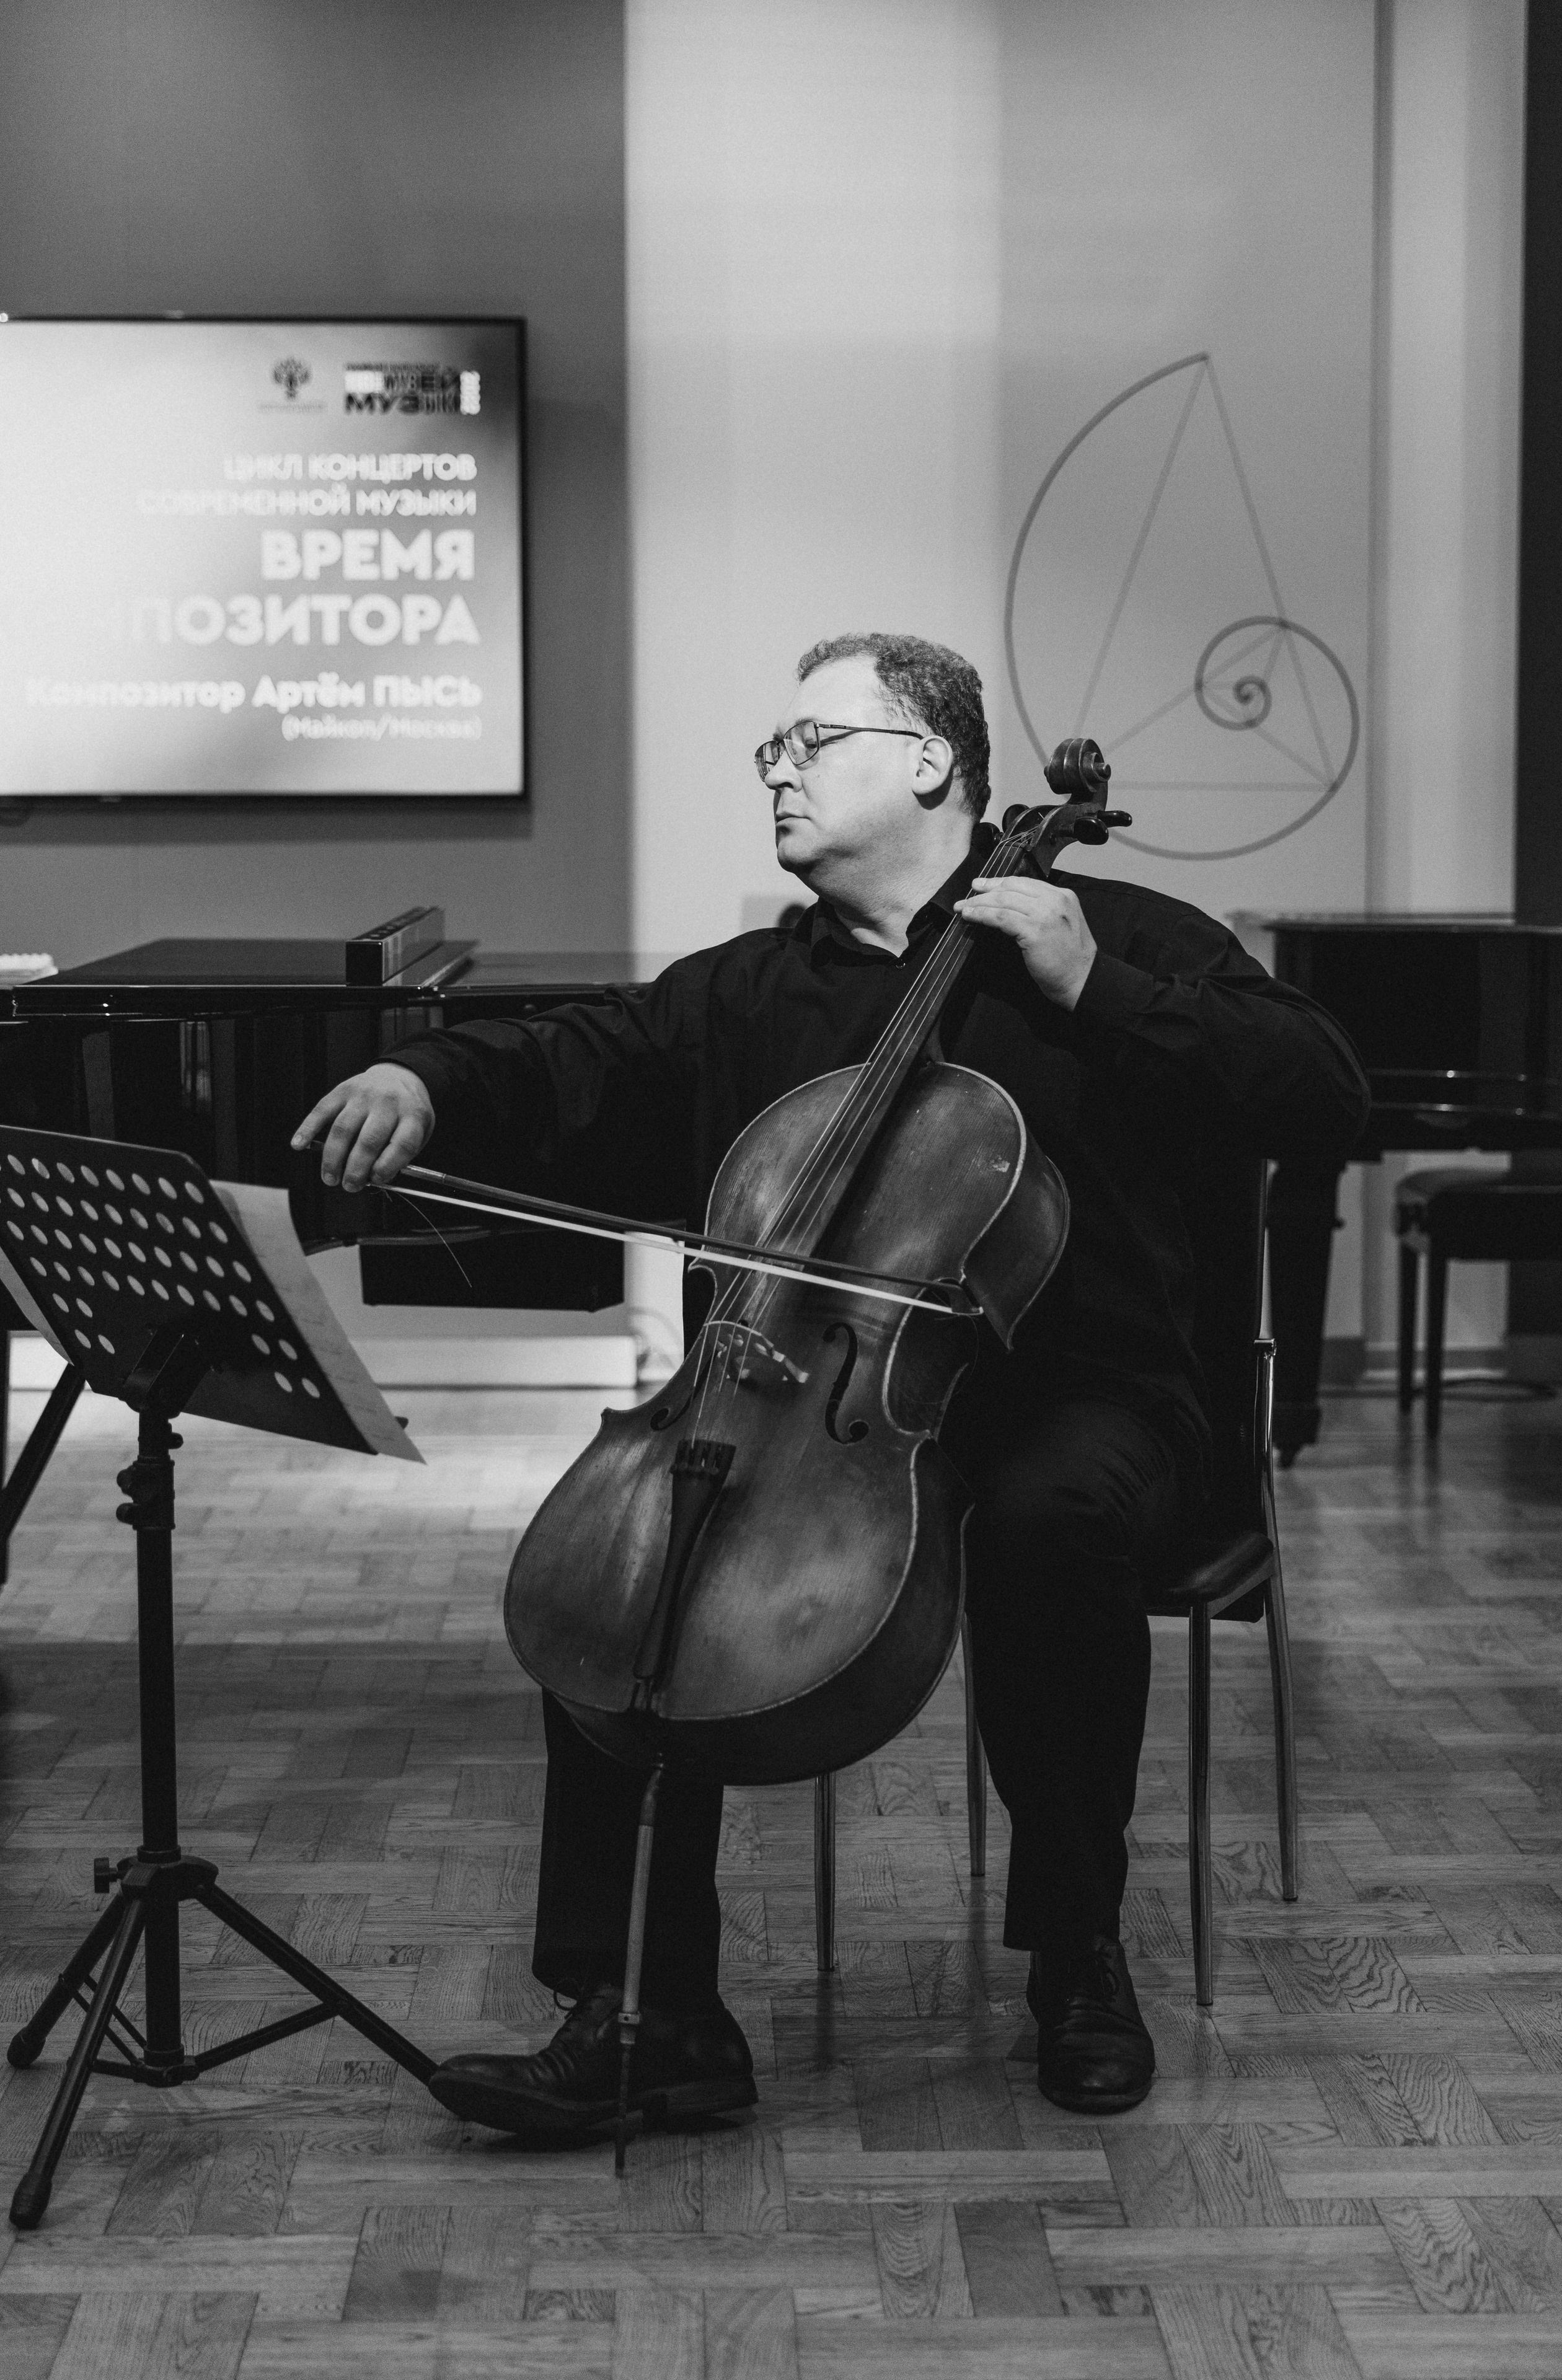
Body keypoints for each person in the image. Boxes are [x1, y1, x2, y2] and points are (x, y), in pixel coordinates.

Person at [294, 631, 1368, 2140]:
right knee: (625, 1559)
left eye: (812, 741)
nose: (779, 771)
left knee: (1048, 1521)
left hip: (1090, 1393)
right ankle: (643, 2015)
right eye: (773, 752)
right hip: (816, 1405)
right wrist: (427, 1079)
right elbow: (568, 1059)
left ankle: (1076, 1955)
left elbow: (1327, 1091)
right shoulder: (747, 991)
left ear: (930, 761)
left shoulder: (1110, 931)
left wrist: (1097, 986)